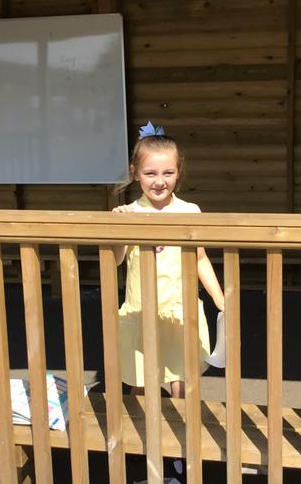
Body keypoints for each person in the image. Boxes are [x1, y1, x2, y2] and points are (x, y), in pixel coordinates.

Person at [112, 122, 225, 400]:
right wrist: (118, 229)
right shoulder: (130, 213)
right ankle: (141, 425)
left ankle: (182, 425)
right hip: (141, 311)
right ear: (135, 173)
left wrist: (219, 298)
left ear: (178, 171)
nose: (159, 181)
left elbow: (200, 258)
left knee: (182, 378)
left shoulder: (190, 211)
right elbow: (117, 259)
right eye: (150, 173)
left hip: (180, 311)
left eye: (168, 173)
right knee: (140, 379)